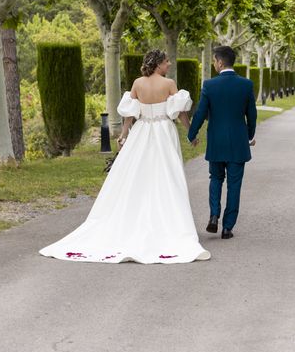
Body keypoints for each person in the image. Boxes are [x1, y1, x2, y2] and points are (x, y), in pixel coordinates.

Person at [39, 49, 210, 264]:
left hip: (142, 131)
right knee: (167, 175)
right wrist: (190, 132)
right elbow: (181, 112)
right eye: (166, 62)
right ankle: (169, 222)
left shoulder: (138, 83)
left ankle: (136, 217)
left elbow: (130, 114)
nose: (169, 65)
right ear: (158, 64)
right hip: (163, 131)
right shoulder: (169, 84)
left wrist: (123, 134)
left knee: (137, 174)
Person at [187, 45, 257, 239]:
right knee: (234, 184)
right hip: (238, 143)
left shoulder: (209, 85)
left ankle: (214, 215)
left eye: (214, 61)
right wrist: (250, 136)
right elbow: (252, 115)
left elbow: (200, 113)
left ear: (219, 62)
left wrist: (191, 134)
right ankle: (227, 227)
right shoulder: (246, 85)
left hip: (216, 142)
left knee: (216, 179)